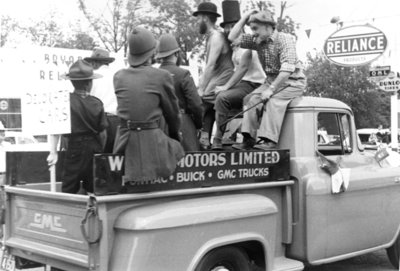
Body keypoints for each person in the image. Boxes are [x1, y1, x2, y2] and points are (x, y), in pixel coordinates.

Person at [113, 27, 184, 182]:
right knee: (178, 149)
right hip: (152, 145)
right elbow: (173, 114)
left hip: (124, 145)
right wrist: (175, 137)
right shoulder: (161, 76)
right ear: (152, 52)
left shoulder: (118, 77)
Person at [228, 10, 306, 150]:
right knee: (251, 99)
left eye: (255, 28)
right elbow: (232, 37)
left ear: (268, 26)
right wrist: (246, 16)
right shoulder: (257, 41)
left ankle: (269, 140)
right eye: (252, 29)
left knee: (274, 101)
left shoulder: (284, 39)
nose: (253, 33)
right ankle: (248, 139)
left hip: (292, 81)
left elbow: (287, 70)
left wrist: (270, 90)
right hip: (271, 80)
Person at [211, 0, 266, 150]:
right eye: (227, 27)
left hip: (255, 84)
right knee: (212, 95)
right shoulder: (235, 46)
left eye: (232, 26)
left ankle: (218, 138)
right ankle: (208, 134)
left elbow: (242, 69)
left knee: (223, 97)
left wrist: (225, 87)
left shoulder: (250, 42)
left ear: (241, 26)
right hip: (243, 84)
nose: (229, 30)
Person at [47, 60, 107, 194]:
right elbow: (103, 133)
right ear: (89, 83)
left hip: (74, 147)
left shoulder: (64, 101)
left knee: (69, 185)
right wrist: (100, 149)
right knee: (93, 186)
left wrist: (53, 151)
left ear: (72, 82)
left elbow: (55, 129)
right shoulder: (97, 103)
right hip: (94, 147)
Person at [193, 2, 234, 149]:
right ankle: (204, 139)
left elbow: (210, 65)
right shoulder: (211, 36)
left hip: (225, 76)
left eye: (198, 18)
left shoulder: (216, 37)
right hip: (218, 77)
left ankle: (196, 138)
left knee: (200, 101)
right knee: (207, 103)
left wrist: (201, 89)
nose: (197, 22)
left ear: (205, 18)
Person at [157, 33, 203, 151]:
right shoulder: (183, 74)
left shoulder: (153, 75)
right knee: (189, 164)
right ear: (177, 53)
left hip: (158, 125)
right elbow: (196, 104)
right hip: (182, 124)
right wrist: (198, 125)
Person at [84, 48, 119, 153]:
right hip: (116, 122)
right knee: (114, 160)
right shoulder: (117, 76)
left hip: (98, 122)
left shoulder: (92, 78)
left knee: (97, 157)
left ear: (95, 62)